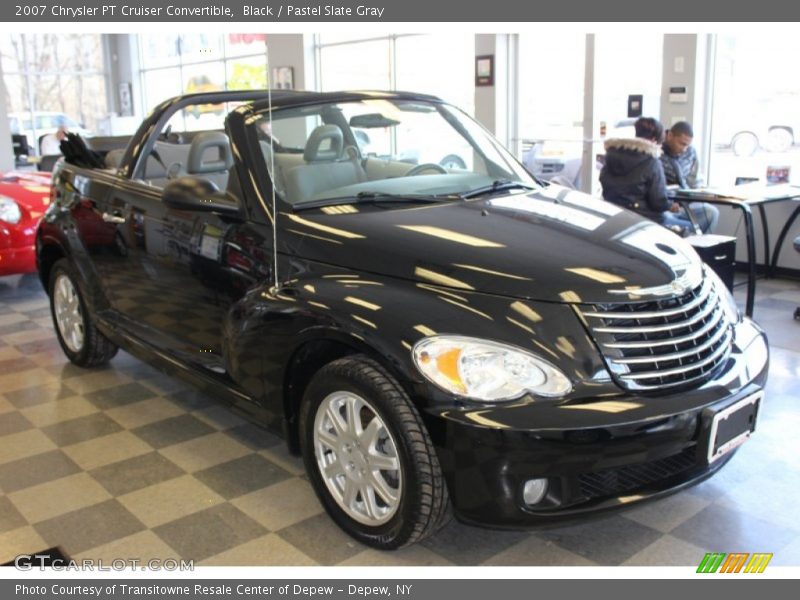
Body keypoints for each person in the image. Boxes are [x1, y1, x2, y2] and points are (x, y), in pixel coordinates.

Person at [600, 117, 693, 235]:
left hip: (616, 216)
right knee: (693, 226)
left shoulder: (612, 156)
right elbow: (658, 202)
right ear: (654, 140)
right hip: (646, 219)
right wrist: (670, 206)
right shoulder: (651, 162)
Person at [660, 121, 720, 233]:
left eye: (687, 145)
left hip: (686, 202)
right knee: (667, 219)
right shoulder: (656, 151)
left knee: (711, 212)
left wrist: (702, 192)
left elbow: (694, 180)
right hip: (666, 205)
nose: (684, 149)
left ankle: (701, 248)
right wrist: (668, 204)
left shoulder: (690, 152)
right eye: (682, 144)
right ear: (670, 136)